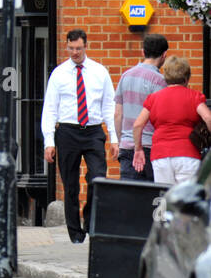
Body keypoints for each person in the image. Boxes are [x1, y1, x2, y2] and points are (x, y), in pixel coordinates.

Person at [41, 28, 117, 244]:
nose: (74, 52)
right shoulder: (59, 73)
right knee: (70, 185)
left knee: (98, 177)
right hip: (67, 131)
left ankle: (90, 220)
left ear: (86, 46)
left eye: (79, 48)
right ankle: (75, 233)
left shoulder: (99, 71)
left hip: (93, 130)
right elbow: (50, 109)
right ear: (67, 46)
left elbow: (108, 105)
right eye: (71, 48)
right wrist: (48, 141)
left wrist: (114, 137)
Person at [132, 56, 211, 186]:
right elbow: (208, 117)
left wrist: (138, 149)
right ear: (187, 78)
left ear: (165, 76)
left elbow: (137, 125)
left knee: (164, 198)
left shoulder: (153, 98)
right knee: (187, 199)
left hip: (160, 155)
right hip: (188, 153)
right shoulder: (194, 96)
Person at [115, 34, 168, 183]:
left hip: (126, 146)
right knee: (151, 200)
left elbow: (117, 114)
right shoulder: (160, 82)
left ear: (143, 52)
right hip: (149, 147)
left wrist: (122, 142)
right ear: (164, 55)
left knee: (128, 199)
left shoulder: (125, 76)